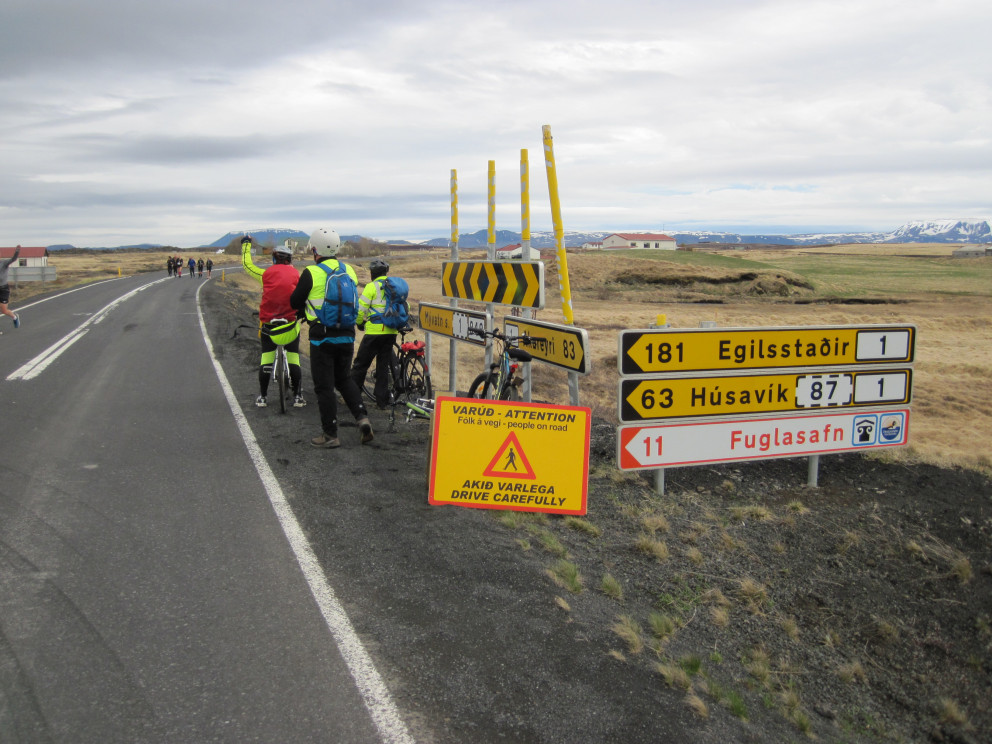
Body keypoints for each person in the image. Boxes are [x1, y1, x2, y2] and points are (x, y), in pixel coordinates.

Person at [290, 227, 373, 448]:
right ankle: (362, 418)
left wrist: (304, 310)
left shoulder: (311, 272)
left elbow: (294, 301)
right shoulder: (349, 270)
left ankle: (330, 435)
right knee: (344, 379)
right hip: (347, 335)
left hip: (322, 337)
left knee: (324, 386)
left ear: (315, 250)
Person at [241, 235, 305, 408]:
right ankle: (298, 397)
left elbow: (247, 265)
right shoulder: (296, 274)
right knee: (293, 358)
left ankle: (263, 397)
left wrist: (246, 244)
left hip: (269, 323)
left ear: (274, 259)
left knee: (266, 358)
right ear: (290, 260)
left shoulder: (266, 273)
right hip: (290, 323)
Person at [350, 259, 399, 409]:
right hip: (391, 332)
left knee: (361, 364)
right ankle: (381, 402)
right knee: (383, 367)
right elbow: (405, 305)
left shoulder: (371, 287)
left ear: (372, 273)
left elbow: (360, 310)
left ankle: (353, 398)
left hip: (374, 333)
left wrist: (359, 323)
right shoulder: (394, 286)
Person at [1, 245, 21, 328]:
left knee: (4, 311)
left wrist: (17, 251)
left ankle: (15, 317)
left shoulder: (4, 263)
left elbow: (13, 259)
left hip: (3, 289)